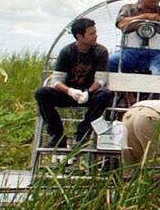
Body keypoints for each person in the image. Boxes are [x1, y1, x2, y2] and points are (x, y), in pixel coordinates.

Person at [34, 17, 112, 148]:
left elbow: (101, 79)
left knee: (105, 94)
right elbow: (56, 80)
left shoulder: (100, 51)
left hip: (89, 93)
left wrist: (88, 92)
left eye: (95, 32)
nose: (95, 36)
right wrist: (69, 91)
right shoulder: (67, 52)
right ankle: (56, 136)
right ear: (79, 36)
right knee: (42, 93)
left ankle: (82, 134)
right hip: (68, 93)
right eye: (91, 33)